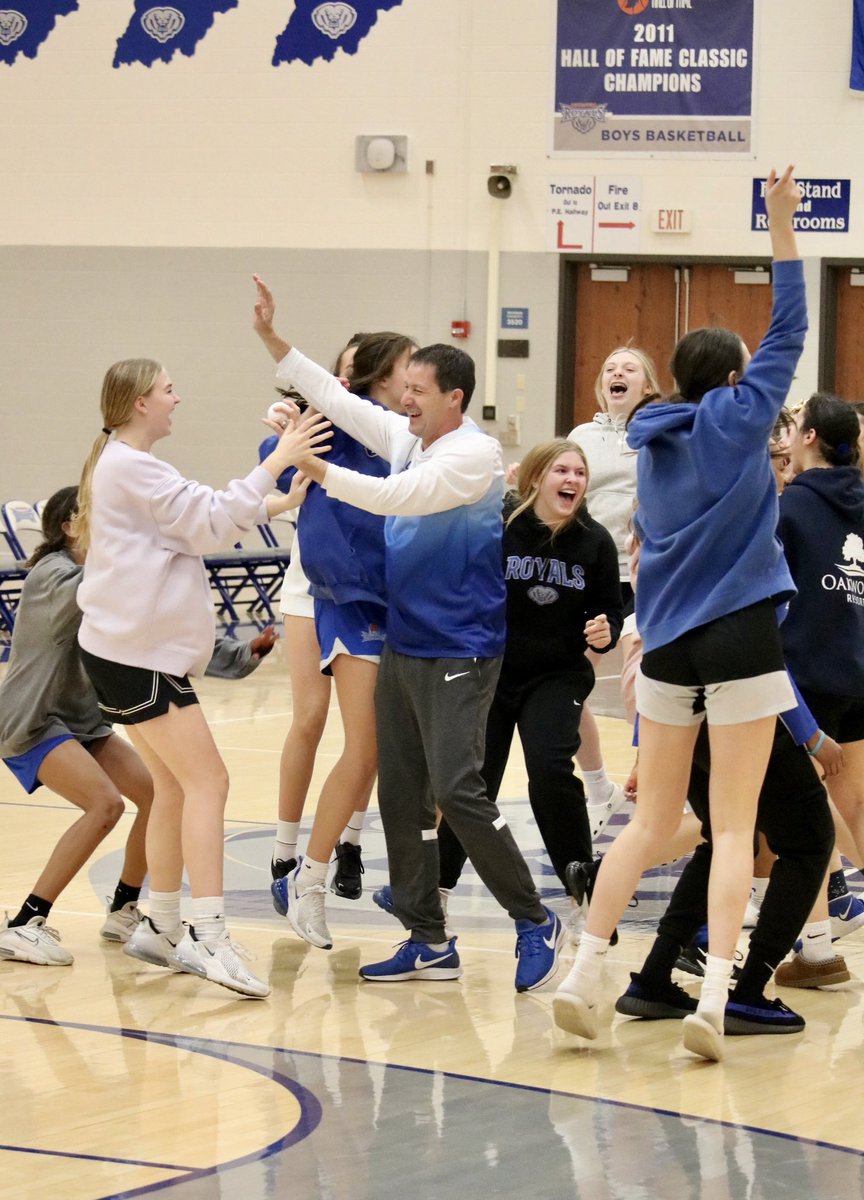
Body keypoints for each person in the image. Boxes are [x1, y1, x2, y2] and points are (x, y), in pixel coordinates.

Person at [553, 164, 807, 1061]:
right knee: (734, 826)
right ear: (735, 378)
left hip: (663, 645)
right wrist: (781, 221)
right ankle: (715, 999)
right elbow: (792, 322)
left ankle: (584, 971)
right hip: (740, 635)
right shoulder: (742, 417)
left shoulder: (648, 442)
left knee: (652, 820)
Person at [253, 277, 564, 992]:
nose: (406, 400)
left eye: (419, 390)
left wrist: (315, 467)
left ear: (454, 397)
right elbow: (338, 400)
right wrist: (273, 338)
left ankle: (533, 918)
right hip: (405, 641)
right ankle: (428, 939)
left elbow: (395, 498)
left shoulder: (471, 456)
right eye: (406, 389)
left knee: (457, 787)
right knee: (400, 792)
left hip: (461, 646)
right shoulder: (409, 439)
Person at [74, 358, 330, 998]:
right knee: (208, 781)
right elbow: (208, 520)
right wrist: (279, 460)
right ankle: (207, 933)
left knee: (172, 788)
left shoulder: (126, 464)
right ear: (139, 402)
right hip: (138, 658)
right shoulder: (134, 466)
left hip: (125, 655)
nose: (176, 399)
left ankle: (161, 925)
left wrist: (277, 500)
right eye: (167, 390)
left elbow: (195, 524)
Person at [263, 331, 416, 950]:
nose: (416, 376)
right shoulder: (336, 422)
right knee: (338, 731)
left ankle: (360, 857)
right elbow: (277, 453)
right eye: (407, 366)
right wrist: (288, 424)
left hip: (396, 598)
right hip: (342, 595)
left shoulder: (405, 432)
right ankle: (300, 869)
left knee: (394, 749)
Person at [431, 439, 623, 915]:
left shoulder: (595, 541)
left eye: (580, 473)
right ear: (537, 477)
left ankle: (582, 882)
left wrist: (605, 632)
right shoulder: (501, 527)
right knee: (475, 780)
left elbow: (610, 612)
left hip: (557, 676)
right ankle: (438, 887)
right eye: (562, 470)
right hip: (493, 672)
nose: (573, 480)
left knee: (550, 769)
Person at [0, 487, 152, 965]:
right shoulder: (52, 574)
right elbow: (89, 590)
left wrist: (235, 656)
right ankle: (25, 923)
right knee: (105, 805)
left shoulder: (100, 579)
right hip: (31, 719)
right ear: (70, 527)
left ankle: (124, 909)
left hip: (82, 721)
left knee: (161, 796)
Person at [771, 392, 864, 987]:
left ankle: (817, 949)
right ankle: (817, 946)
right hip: (857, 672)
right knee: (852, 804)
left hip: (806, 680)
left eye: (797, 423)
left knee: (806, 819)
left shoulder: (791, 508)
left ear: (808, 438)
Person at [568, 347, 661, 838]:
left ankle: (653, 777)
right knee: (568, 681)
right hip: (590, 574)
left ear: (648, 386)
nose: (617, 373)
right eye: (609, 368)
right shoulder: (581, 436)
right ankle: (599, 786)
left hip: (644, 576)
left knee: (648, 685)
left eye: (629, 368)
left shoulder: (659, 433)